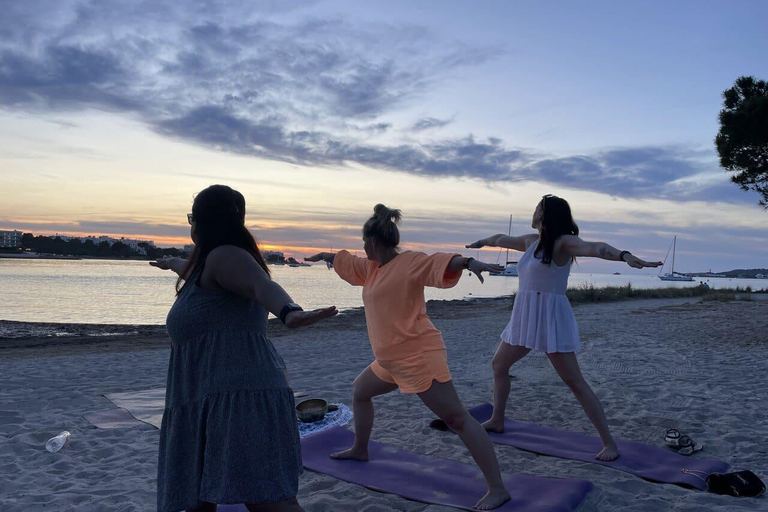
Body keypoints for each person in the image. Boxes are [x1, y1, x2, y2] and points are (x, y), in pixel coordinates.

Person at [305, 204, 511, 510]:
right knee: (360, 391)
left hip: (418, 356)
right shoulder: (372, 269)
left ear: (373, 242)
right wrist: (329, 257)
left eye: (365, 243)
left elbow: (438, 263)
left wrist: (468, 262)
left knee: (457, 419)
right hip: (390, 361)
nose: (363, 248)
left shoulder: (409, 263)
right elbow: (349, 262)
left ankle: (497, 488)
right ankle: (360, 449)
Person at [150, 185, 337, 512]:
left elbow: (260, 285)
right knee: (198, 497)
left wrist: (288, 312)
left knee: (270, 502)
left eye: (192, 217)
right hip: (209, 397)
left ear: (203, 220)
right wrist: (170, 262)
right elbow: (189, 268)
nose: (191, 224)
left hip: (239, 396)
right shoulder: (205, 265)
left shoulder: (226, 255)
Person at [466, 194, 662, 462]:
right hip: (524, 316)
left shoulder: (563, 243)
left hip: (550, 319)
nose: (533, 211)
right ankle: (497, 420)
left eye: (537, 207)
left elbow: (596, 247)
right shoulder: (530, 241)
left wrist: (625, 256)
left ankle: (609, 443)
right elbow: (500, 239)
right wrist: (481, 244)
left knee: (575, 383)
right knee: (499, 366)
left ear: (546, 214)